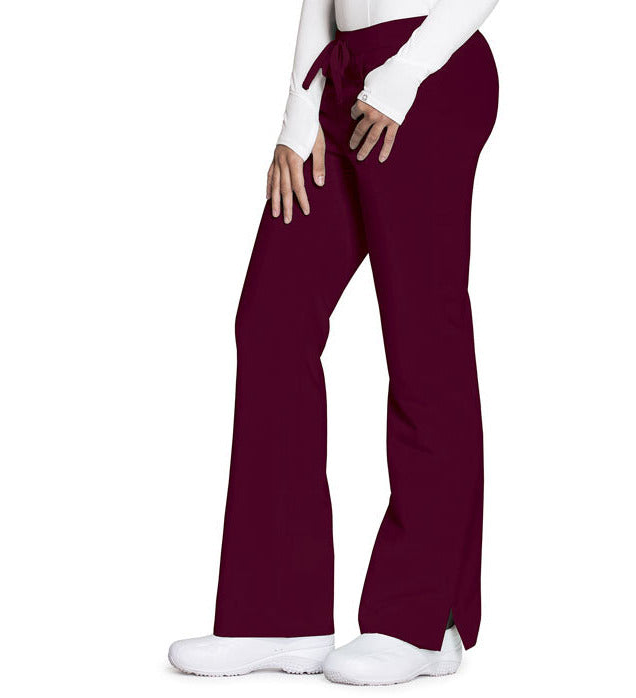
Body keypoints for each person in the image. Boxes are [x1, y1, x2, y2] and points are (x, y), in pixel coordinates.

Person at [169, 0, 499, 685]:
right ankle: (277, 615)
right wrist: (299, 115)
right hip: (343, 79)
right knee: (272, 323)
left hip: (425, 73)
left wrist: (406, 72)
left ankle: (421, 620)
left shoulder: (415, 71)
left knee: (422, 340)